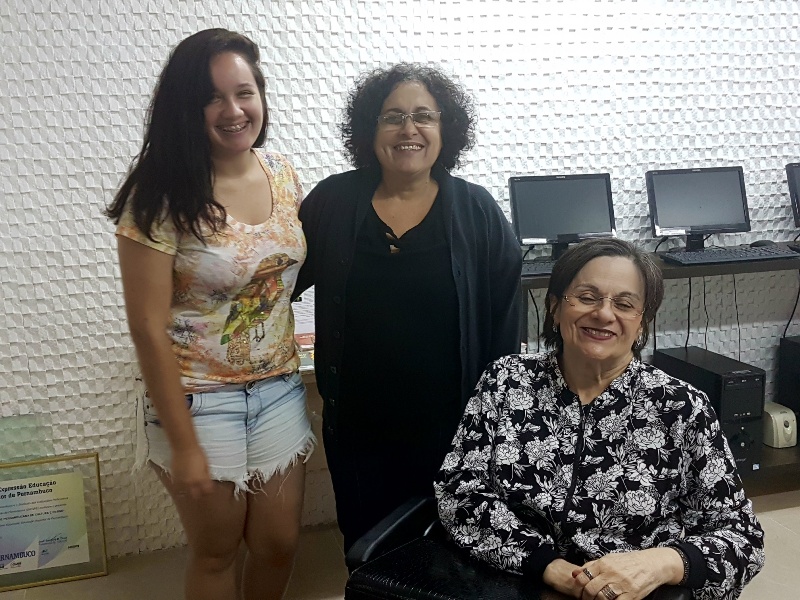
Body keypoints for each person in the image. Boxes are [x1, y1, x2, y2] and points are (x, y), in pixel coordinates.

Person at [435, 238, 764, 600]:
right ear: (555, 307)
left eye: (624, 304)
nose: (604, 314)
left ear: (642, 323)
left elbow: (742, 540)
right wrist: (548, 566)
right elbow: (459, 492)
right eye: (587, 297)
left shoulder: (683, 407)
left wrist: (660, 564)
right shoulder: (505, 380)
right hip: (510, 584)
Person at [106, 29, 314, 600]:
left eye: (244, 93)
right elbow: (147, 326)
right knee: (217, 551)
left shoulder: (282, 173)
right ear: (185, 108)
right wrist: (184, 445)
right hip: (197, 399)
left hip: (277, 387)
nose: (233, 110)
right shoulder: (159, 193)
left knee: (278, 543)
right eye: (212, 98)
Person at [294, 63, 522, 551]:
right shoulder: (333, 201)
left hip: (453, 428)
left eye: (424, 116)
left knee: (454, 548)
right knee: (368, 550)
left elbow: (505, 325)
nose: (408, 129)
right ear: (369, 129)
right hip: (358, 428)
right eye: (392, 117)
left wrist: (497, 423)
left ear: (446, 128)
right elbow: (278, 278)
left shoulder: (477, 210)